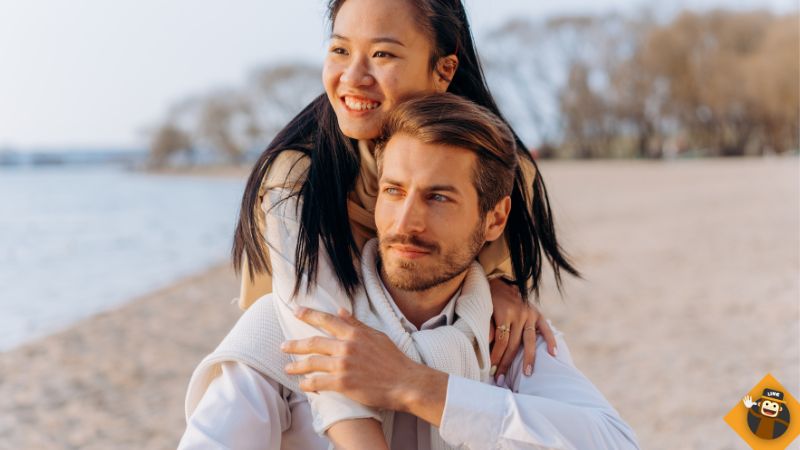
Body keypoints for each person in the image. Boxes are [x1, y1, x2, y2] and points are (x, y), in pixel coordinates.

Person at [179, 94, 639, 449]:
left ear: (495, 219)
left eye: (439, 198)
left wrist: (414, 385)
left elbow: (615, 442)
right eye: (394, 191)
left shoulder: (509, 340)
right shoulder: (286, 335)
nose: (405, 223)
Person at [228, 0, 579, 447]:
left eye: (383, 55)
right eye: (339, 50)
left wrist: (497, 289)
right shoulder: (296, 181)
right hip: (299, 384)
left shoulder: (499, 171)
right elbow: (324, 354)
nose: (353, 77)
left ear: (444, 70)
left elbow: (458, 279)